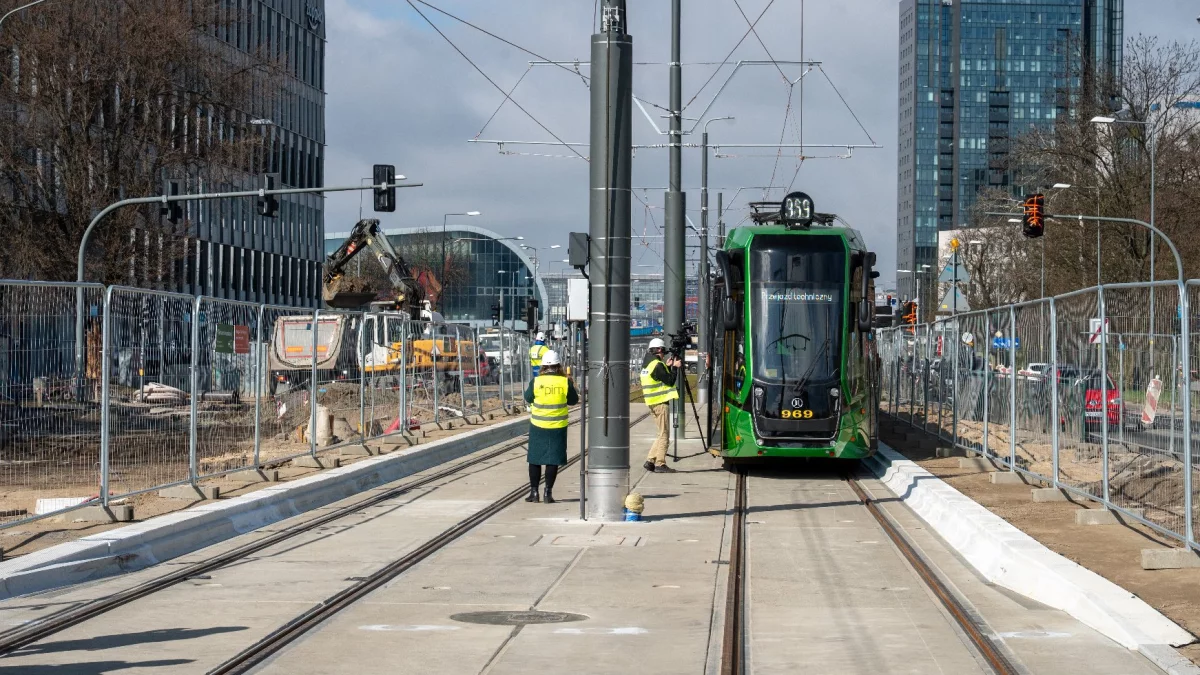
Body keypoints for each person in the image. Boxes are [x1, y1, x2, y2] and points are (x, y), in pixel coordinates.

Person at [524, 349, 578, 503]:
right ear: (558, 365)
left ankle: (534, 493)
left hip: (538, 426)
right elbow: (573, 401)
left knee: (534, 459)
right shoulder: (564, 382)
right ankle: (548, 493)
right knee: (552, 460)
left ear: (543, 367)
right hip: (558, 427)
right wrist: (571, 384)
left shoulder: (537, 381)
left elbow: (528, 397)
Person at [641, 337, 681, 473]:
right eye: (663, 352)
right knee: (664, 434)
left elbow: (658, 378)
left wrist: (668, 366)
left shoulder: (647, 364)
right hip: (660, 403)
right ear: (658, 350)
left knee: (660, 433)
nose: (664, 355)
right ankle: (660, 463)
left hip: (652, 403)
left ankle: (650, 460)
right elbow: (670, 381)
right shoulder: (657, 365)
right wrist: (675, 368)